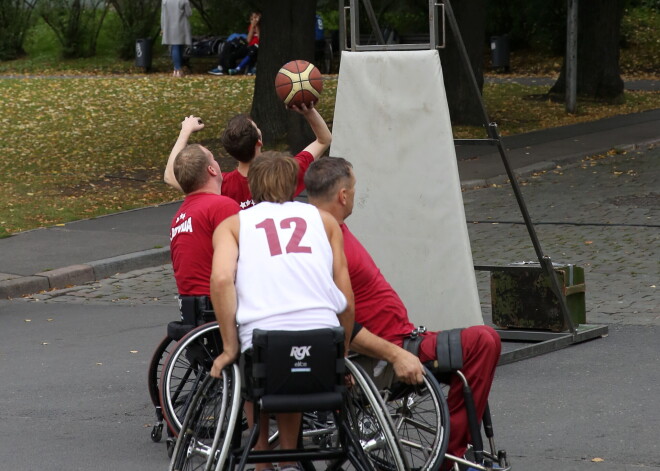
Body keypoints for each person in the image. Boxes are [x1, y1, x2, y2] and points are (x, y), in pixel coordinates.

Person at [304, 157, 502, 467]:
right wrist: (396, 355)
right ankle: (448, 457)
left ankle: (451, 450)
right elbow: (338, 323)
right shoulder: (325, 239)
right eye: (354, 189)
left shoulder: (326, 230)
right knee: (484, 341)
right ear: (343, 195)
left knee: (473, 350)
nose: (355, 195)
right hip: (386, 353)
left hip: (403, 338)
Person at [209, 153, 354, 471]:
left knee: (254, 372)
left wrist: (229, 346)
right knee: (297, 369)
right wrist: (340, 351)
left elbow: (221, 280)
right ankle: (289, 456)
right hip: (321, 340)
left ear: (251, 185)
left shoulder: (233, 225)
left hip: (266, 343)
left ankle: (262, 459)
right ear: (293, 184)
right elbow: (346, 295)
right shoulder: (325, 221)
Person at [164, 104, 331, 210]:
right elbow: (324, 140)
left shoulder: (219, 185)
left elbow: (170, 176)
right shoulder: (282, 173)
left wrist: (185, 131)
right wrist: (308, 110)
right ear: (259, 141)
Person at [169, 144, 240, 298]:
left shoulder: (179, 216)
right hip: (220, 308)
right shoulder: (222, 206)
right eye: (213, 158)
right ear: (211, 170)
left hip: (193, 314)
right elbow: (249, 258)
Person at [208, 11, 261, 76]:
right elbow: (248, 40)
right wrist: (252, 27)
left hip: (255, 48)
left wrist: (257, 27)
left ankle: (236, 69)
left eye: (255, 18)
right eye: (252, 18)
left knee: (253, 49)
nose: (253, 20)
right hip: (248, 46)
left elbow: (260, 39)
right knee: (229, 47)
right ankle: (221, 68)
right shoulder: (251, 26)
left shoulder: (261, 26)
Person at [161, 0, 192, 78]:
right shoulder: (184, 0)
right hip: (180, 26)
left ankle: (176, 70)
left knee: (174, 46)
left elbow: (163, 15)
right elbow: (189, 13)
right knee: (179, 47)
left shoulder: (165, 1)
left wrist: (163, 27)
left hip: (169, 26)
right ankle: (178, 69)